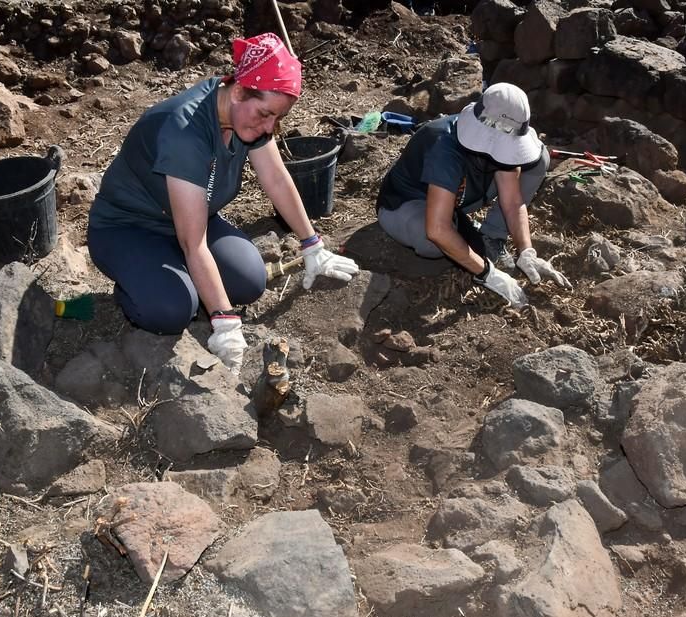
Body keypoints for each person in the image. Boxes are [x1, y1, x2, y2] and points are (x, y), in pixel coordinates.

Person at [88, 33, 359, 374]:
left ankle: (172, 273)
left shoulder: (249, 118)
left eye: (277, 118)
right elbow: (193, 242)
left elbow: (275, 179)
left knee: (250, 281)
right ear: (238, 90)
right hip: (128, 228)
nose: (269, 127)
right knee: (171, 310)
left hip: (188, 220)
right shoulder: (185, 130)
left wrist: (312, 245)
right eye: (264, 114)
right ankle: (139, 286)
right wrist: (224, 321)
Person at [376, 82, 571, 308]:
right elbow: (436, 230)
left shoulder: (499, 140)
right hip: (407, 202)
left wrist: (526, 251)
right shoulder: (444, 146)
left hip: (460, 194)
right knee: (429, 241)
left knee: (538, 161)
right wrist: (488, 274)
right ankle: (461, 229)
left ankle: (488, 237)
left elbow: (512, 201)